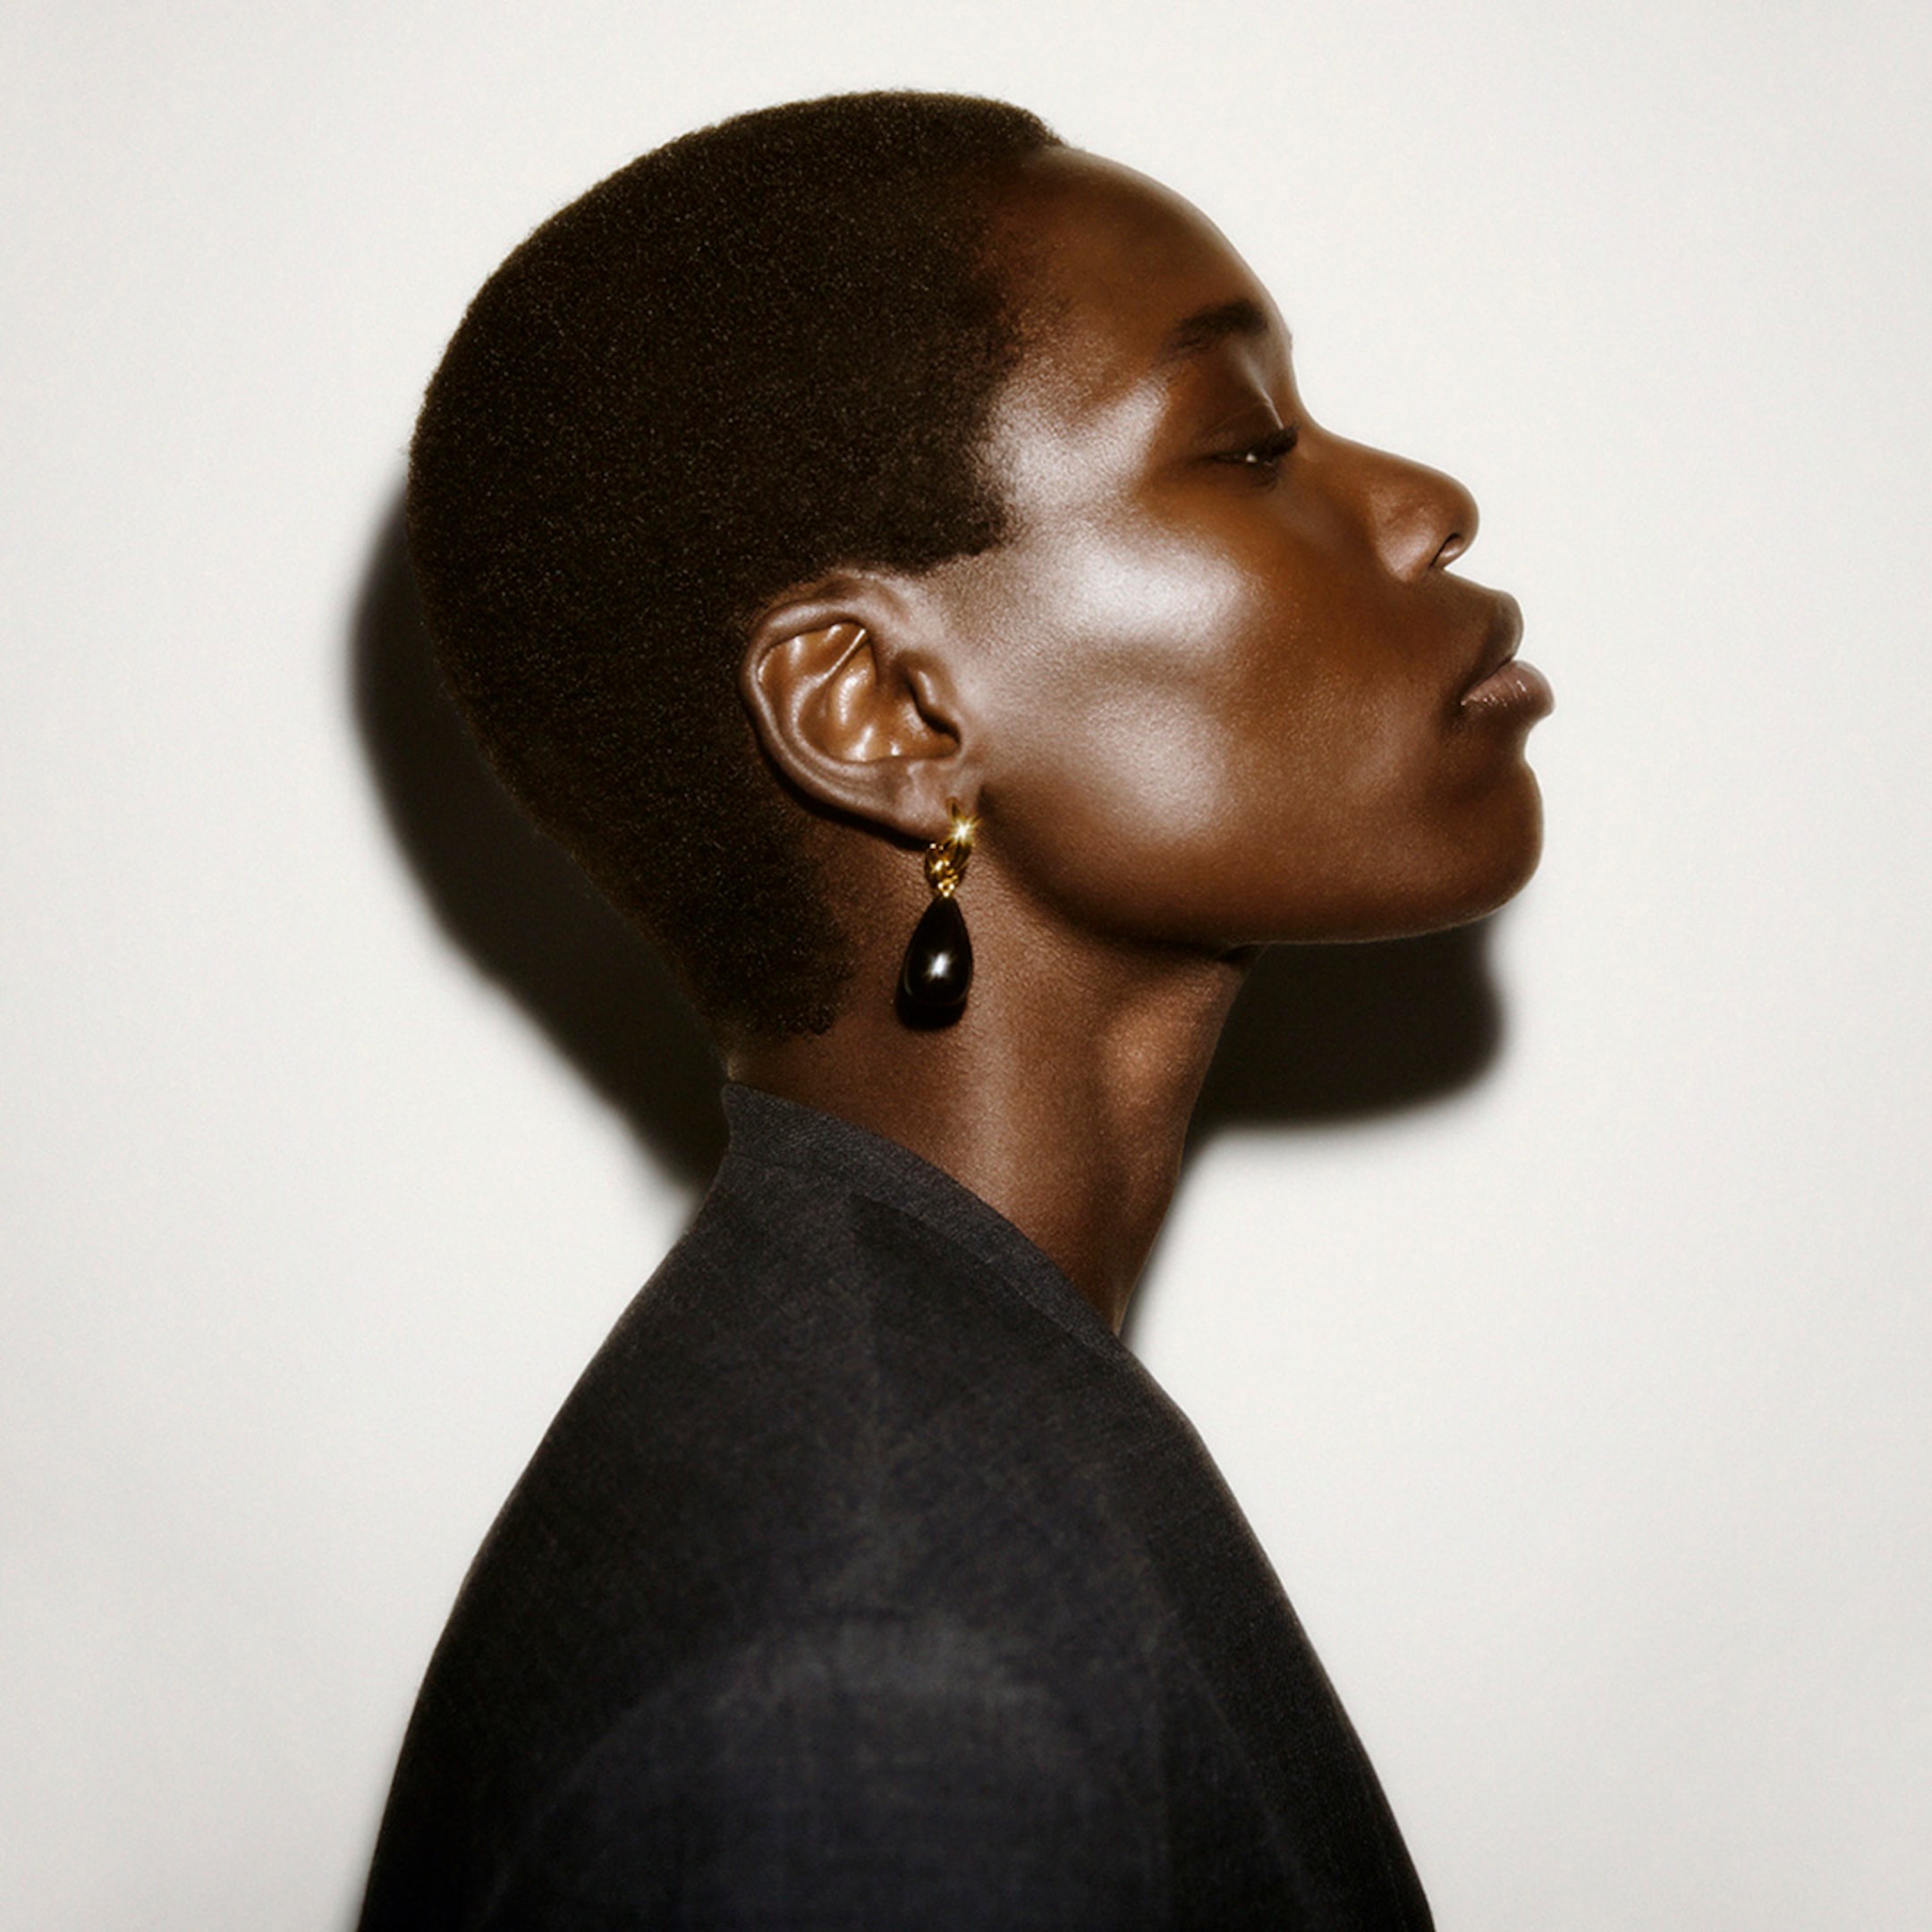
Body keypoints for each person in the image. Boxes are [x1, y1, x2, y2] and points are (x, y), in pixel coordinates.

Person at [359, 90, 1549, 1930]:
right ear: (885, 713)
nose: (1420, 505)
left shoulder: (909, 1424)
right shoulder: (874, 1674)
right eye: (1240, 448)